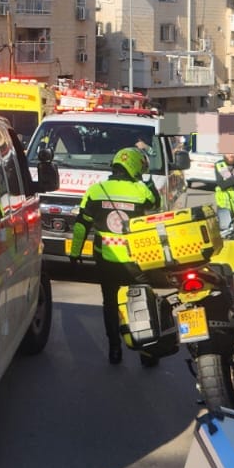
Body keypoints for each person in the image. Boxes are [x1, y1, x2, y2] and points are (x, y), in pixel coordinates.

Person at [67, 146, 159, 365]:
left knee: (110, 303)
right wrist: (148, 184)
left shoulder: (96, 190)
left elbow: (81, 226)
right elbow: (156, 210)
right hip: (135, 261)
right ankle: (147, 353)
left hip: (106, 260)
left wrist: (75, 253)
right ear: (136, 167)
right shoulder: (141, 191)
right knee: (141, 301)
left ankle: (114, 349)